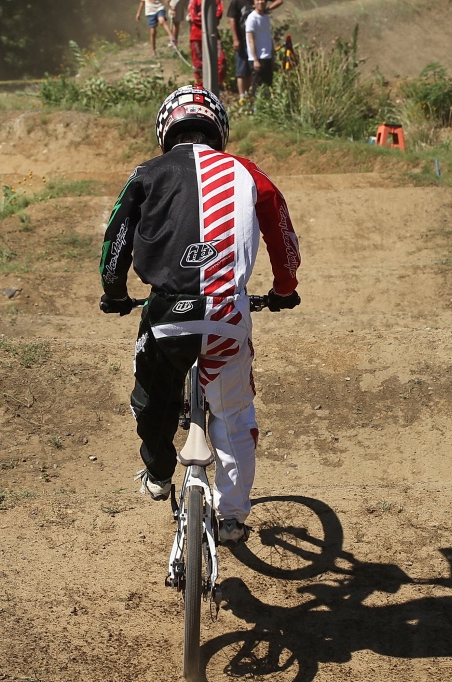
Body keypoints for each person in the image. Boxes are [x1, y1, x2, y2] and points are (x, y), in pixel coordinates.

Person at [100, 86, 302, 546]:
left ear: (165, 131)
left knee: (151, 395)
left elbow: (115, 240)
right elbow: (282, 233)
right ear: (219, 130)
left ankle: (157, 471)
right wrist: (284, 290)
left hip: (168, 314)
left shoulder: (146, 173)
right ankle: (231, 516)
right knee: (234, 413)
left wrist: (113, 294)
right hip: (229, 313)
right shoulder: (248, 173)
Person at [227, 0, 283, 99]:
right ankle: (242, 97)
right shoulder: (238, 3)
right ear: (254, 3)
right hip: (242, 39)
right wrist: (235, 39)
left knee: (253, 73)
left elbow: (279, 1)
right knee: (242, 70)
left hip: (259, 45)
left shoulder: (264, 16)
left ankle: (249, 96)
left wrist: (268, 9)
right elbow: (232, 19)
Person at [188, 0, 226, 88]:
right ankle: (201, 89)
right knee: (198, 65)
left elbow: (219, 13)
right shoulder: (194, 1)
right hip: (197, 36)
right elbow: (193, 16)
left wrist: (207, 18)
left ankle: (217, 86)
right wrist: (208, 19)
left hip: (212, 34)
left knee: (221, 62)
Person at [245, 0, 276, 98]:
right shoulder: (251, 18)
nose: (261, 2)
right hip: (257, 58)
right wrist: (255, 59)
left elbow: (268, 36)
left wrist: (272, 52)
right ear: (254, 3)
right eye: (258, 0)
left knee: (268, 86)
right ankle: (255, 109)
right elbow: (250, 40)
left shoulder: (266, 17)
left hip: (267, 56)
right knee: (257, 88)